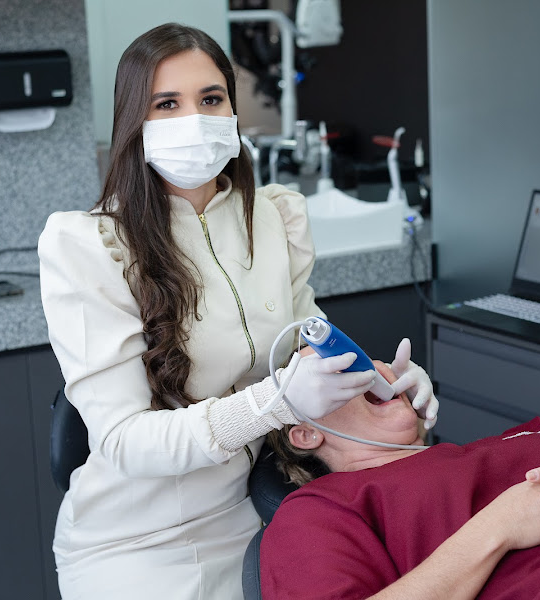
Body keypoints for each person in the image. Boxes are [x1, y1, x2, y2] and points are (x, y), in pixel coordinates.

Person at [37, 23, 436, 600]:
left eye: (210, 99)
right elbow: (124, 441)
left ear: (231, 108)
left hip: (259, 513)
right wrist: (277, 400)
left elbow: (308, 352)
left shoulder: (276, 218)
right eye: (165, 104)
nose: (192, 119)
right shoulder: (91, 246)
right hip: (134, 543)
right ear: (133, 121)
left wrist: (383, 383)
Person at [261, 358, 540, 599]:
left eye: (359, 354)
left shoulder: (519, 440)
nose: (366, 367)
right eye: (332, 371)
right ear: (305, 432)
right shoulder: (321, 510)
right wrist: (501, 526)